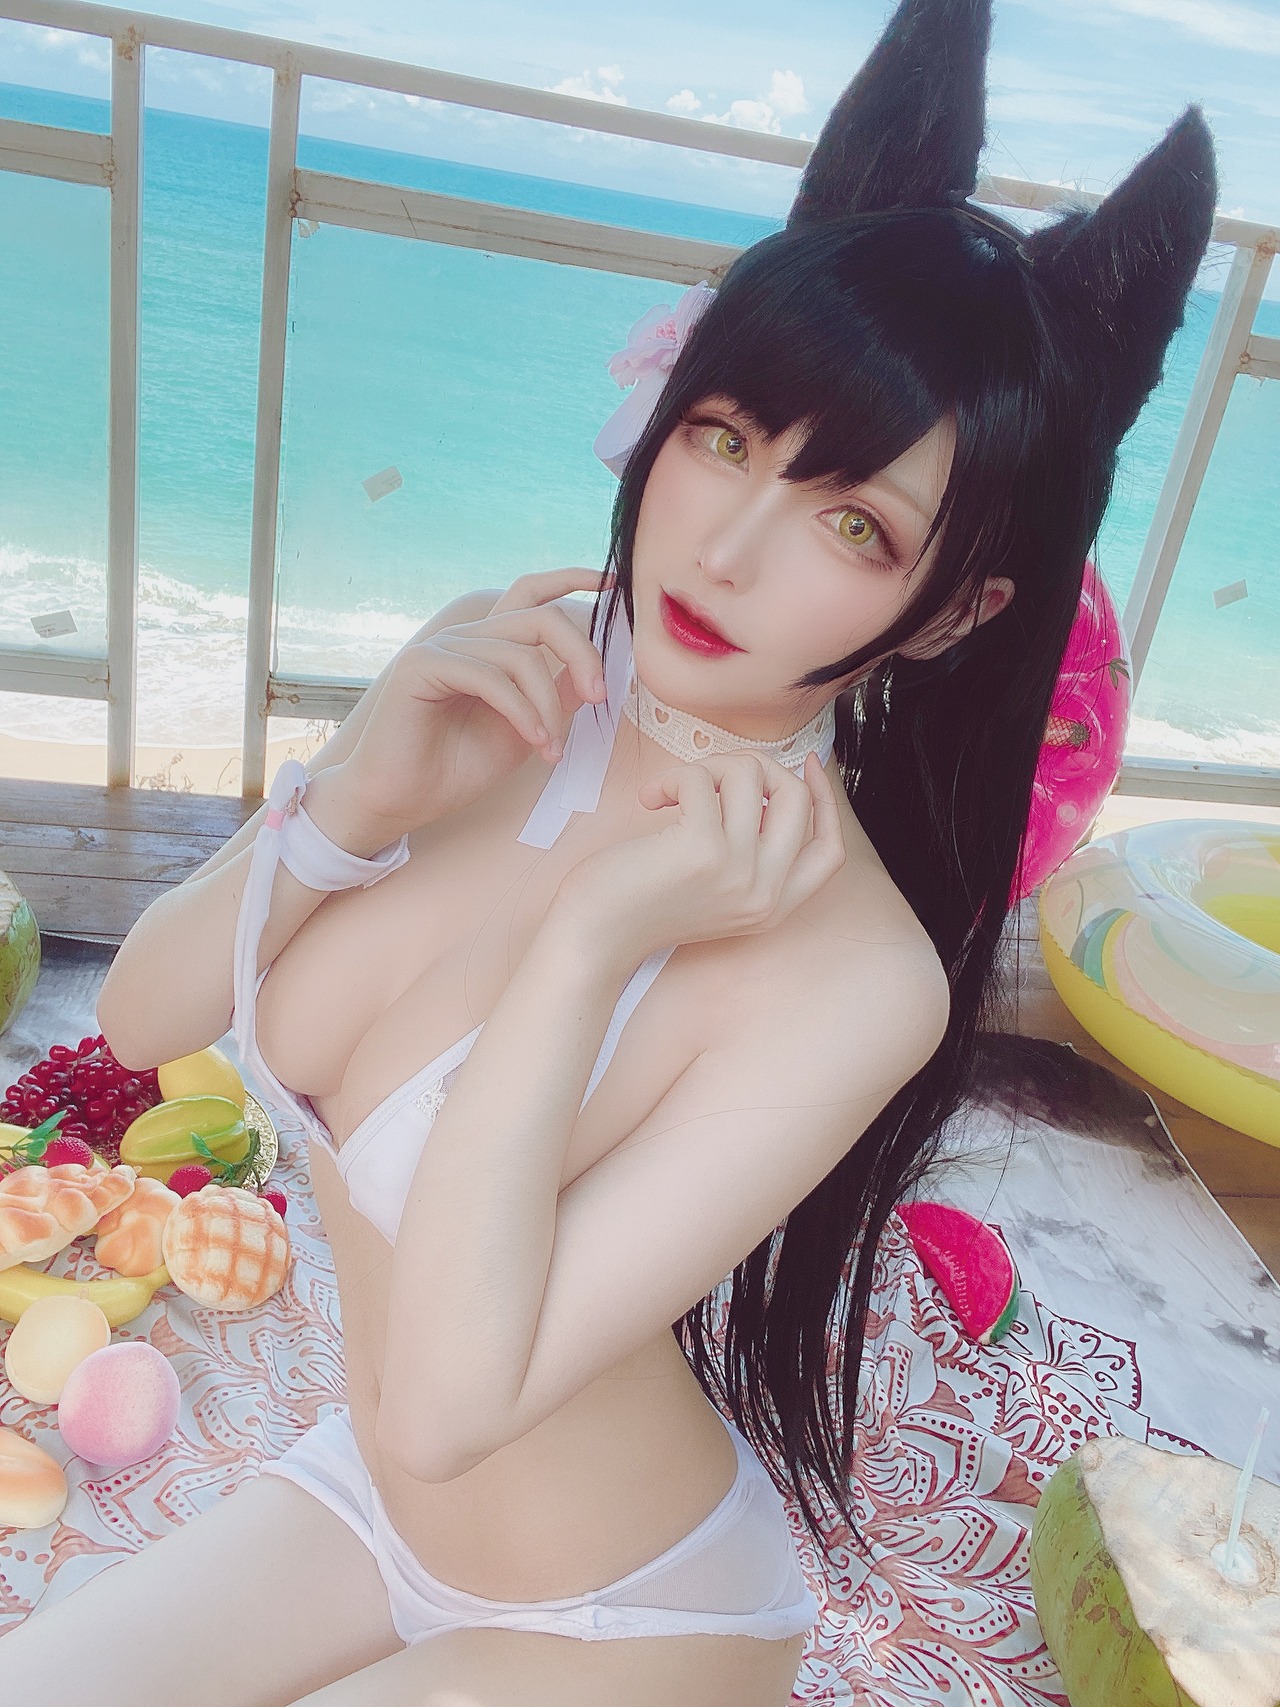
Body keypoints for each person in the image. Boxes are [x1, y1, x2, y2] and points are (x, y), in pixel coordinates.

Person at [0, 0, 1215, 1701]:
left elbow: (454, 1400)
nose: (727, 544)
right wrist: (357, 791)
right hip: (363, 1499)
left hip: (622, 1612)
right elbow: (141, 1017)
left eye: (853, 522)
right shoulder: (507, 675)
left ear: (958, 612)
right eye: (726, 437)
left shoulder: (858, 980)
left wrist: (593, 945)